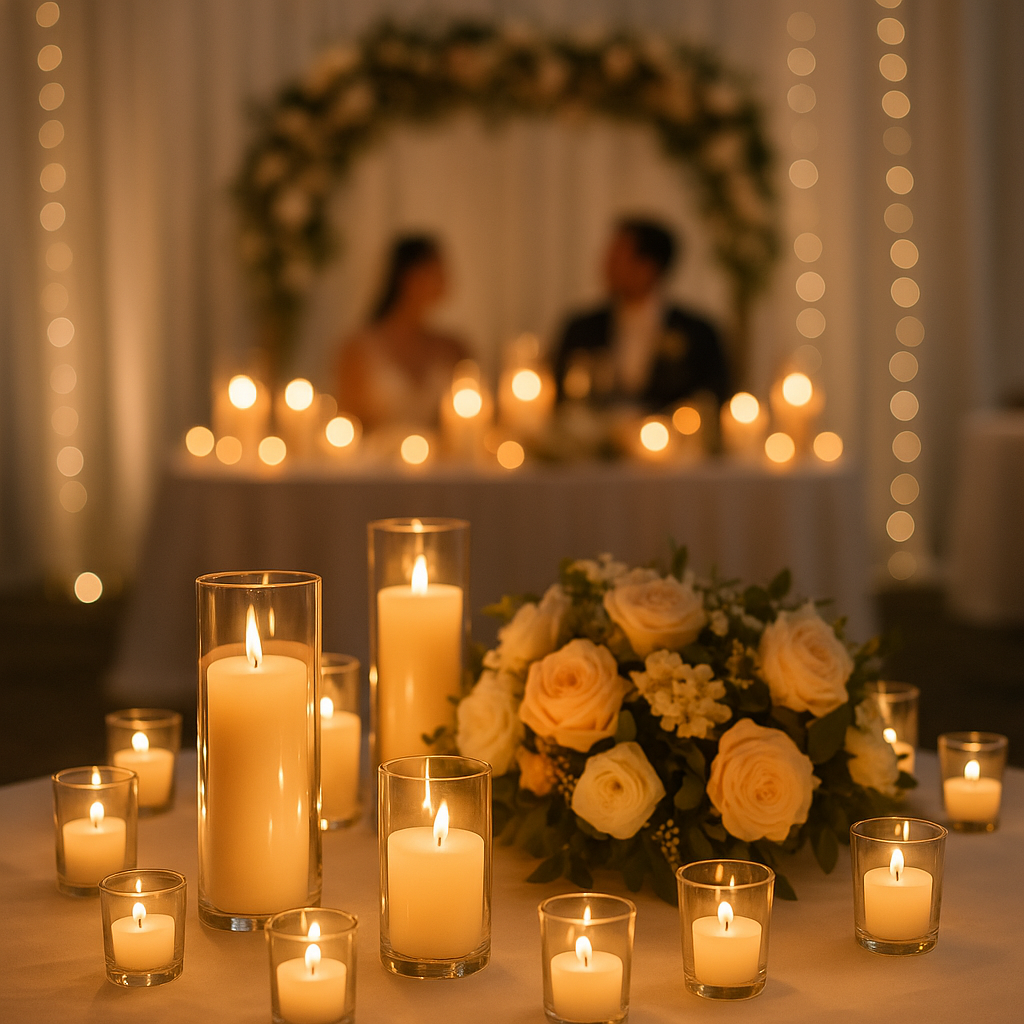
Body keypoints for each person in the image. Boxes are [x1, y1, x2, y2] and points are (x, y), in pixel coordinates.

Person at [553, 218, 730, 411]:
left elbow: (711, 396)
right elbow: (560, 392)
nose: (605, 265)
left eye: (616, 258)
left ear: (648, 267)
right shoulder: (582, 327)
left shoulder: (698, 332)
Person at [335, 235, 468, 430]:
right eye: (435, 271)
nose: (445, 279)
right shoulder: (359, 349)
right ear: (408, 277)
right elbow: (348, 423)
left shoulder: (453, 348)